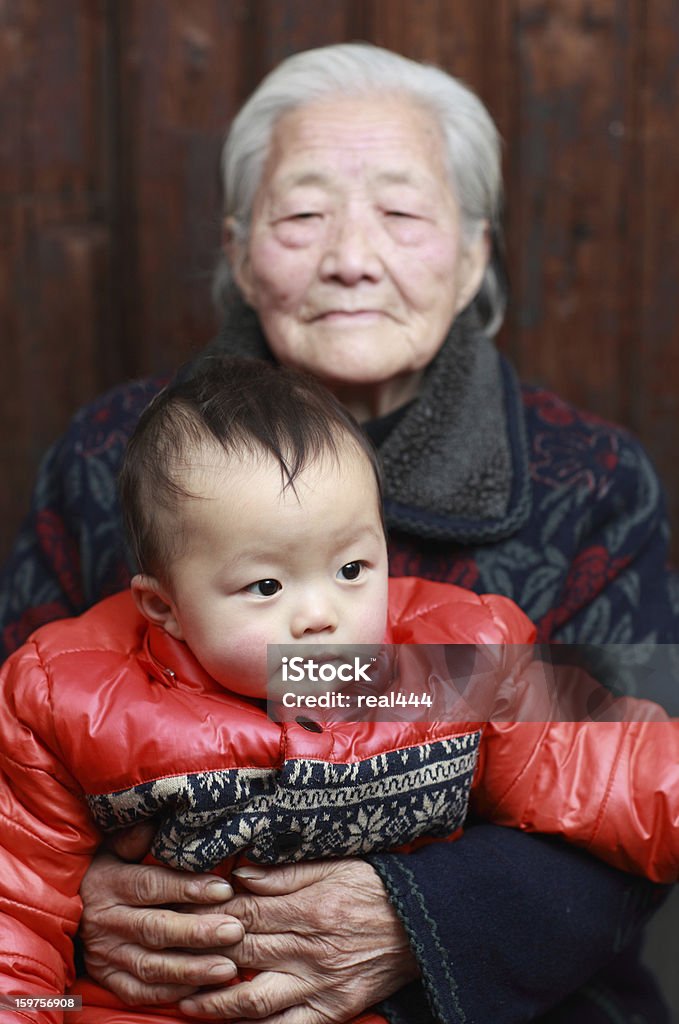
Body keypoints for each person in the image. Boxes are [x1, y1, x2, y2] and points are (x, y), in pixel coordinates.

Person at [1, 41, 677, 1024]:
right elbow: (21, 768)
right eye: (302, 214)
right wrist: (79, 910)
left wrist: (414, 916)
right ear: (237, 249)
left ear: (473, 254)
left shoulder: (595, 479)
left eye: (401, 215)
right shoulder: (111, 450)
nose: (350, 258)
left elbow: (617, 779)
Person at [0, 356, 676, 1024]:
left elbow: (610, 762)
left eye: (351, 567)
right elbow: (16, 914)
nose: (320, 614)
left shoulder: (447, 664)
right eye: (266, 586)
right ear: (163, 607)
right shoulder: (72, 699)